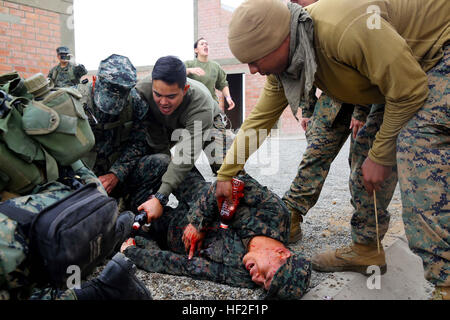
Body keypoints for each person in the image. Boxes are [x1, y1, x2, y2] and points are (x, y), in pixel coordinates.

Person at [217, 0, 449, 296]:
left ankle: (446, 282)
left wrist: (382, 154)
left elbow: (410, 90)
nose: (251, 70)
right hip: (404, 73)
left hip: (439, 50)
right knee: (365, 152)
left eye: (255, 59)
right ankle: (366, 249)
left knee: (416, 148)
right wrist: (227, 173)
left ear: (280, 40)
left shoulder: (344, 29)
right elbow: (259, 120)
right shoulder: (287, 60)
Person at [120, 172, 311, 300]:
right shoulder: (275, 214)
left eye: (264, 285)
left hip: (171, 229)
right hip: (197, 195)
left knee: (128, 215)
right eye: (267, 276)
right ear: (282, 254)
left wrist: (133, 253)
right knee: (162, 164)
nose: (257, 279)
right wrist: (197, 222)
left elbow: (188, 267)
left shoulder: (242, 275)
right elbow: (231, 179)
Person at [128, 55, 228, 219]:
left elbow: (186, 155)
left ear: (185, 89)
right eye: (158, 94)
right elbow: (154, 141)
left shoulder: (200, 104)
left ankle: (237, 209)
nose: (163, 102)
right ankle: (187, 198)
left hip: (206, 122)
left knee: (226, 168)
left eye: (171, 96)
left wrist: (161, 196)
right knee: (161, 160)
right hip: (164, 124)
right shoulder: (142, 91)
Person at [76, 54, 154, 210]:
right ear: (94, 80)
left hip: (117, 172)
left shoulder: (136, 103)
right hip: (80, 174)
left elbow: (138, 143)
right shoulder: (73, 100)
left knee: (159, 162)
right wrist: (83, 176)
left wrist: (116, 173)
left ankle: (132, 210)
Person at [185, 37, 236, 111]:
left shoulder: (215, 66)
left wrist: (228, 98)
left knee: (215, 122)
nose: (205, 45)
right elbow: (177, 74)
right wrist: (189, 70)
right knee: (198, 122)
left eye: (207, 44)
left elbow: (222, 84)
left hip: (212, 105)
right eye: (202, 44)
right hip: (195, 106)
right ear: (196, 50)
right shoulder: (189, 64)